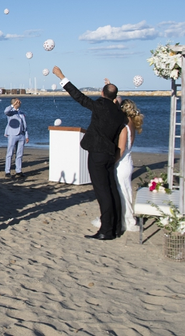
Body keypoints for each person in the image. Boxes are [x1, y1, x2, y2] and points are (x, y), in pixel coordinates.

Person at [53, 66, 127, 241]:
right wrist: (110, 90)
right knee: (112, 190)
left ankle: (106, 231)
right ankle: (116, 227)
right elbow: (114, 101)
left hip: (98, 154)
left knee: (102, 192)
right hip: (110, 154)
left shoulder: (101, 105)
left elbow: (79, 96)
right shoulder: (119, 113)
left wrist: (61, 76)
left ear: (102, 94)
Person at [116, 98, 144, 233]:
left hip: (121, 164)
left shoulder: (124, 127)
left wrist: (112, 161)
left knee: (122, 193)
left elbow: (121, 149)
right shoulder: (132, 123)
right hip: (128, 162)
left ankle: (126, 220)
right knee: (126, 191)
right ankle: (128, 217)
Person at [3, 98, 28, 178]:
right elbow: (6, 111)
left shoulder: (21, 113)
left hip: (21, 135)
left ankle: (18, 170)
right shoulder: (11, 112)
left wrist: (26, 136)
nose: (19, 103)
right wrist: (13, 105)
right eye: (17, 102)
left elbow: (25, 125)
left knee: (19, 154)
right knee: (10, 153)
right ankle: (7, 171)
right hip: (12, 135)